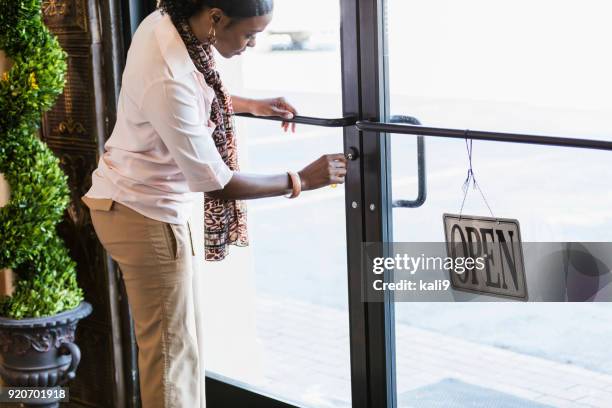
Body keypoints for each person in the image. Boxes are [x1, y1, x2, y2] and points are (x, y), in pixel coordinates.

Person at [81, 0, 348, 406]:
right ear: (216, 17)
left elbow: (192, 101)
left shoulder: (165, 22)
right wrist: (301, 180)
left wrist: (248, 104)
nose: (252, 44)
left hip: (130, 205)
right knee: (173, 359)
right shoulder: (169, 73)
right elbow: (217, 182)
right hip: (144, 216)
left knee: (176, 347)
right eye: (249, 35)